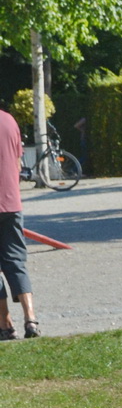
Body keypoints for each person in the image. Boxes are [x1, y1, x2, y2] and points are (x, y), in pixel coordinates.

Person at [0, 104, 41, 339]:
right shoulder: (9, 121)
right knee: (16, 261)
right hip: (11, 202)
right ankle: (31, 319)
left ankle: (5, 325)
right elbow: (17, 164)